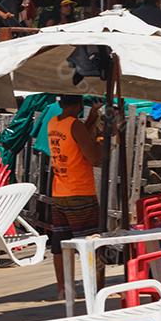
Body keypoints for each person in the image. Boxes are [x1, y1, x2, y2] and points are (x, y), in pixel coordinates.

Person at [47, 94, 104, 301]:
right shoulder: (75, 125)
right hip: (80, 192)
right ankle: (96, 290)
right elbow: (95, 158)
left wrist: (92, 118)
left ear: (61, 104)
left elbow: (75, 137)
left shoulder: (55, 123)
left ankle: (63, 288)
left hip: (60, 191)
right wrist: (101, 138)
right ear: (80, 104)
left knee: (60, 244)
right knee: (92, 243)